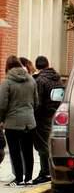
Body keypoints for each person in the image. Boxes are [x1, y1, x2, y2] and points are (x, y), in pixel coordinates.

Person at [0, 56, 38, 186]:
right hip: (29, 122)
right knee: (28, 151)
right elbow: (36, 102)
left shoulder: (7, 82)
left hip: (12, 123)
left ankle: (19, 179)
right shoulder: (31, 79)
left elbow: (2, 105)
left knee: (15, 151)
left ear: (8, 66)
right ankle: (29, 178)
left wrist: (1, 119)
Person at [31, 56, 61, 184]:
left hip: (42, 117)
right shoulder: (57, 79)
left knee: (42, 146)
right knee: (49, 144)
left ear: (37, 66)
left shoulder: (40, 81)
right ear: (47, 64)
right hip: (54, 114)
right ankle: (49, 170)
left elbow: (38, 102)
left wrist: (34, 116)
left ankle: (45, 172)